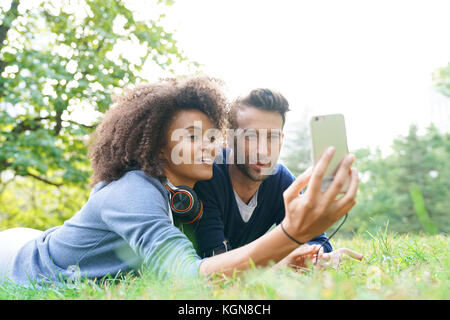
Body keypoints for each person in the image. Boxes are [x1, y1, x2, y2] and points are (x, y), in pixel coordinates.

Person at [0, 76, 359, 287]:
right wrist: (290, 235)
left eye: (212, 135)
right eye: (193, 137)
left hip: (33, 234)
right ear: (157, 147)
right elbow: (190, 279)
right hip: (16, 261)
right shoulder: (133, 192)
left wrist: (292, 257)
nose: (213, 146)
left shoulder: (181, 190)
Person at [193, 88, 362, 268]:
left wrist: (314, 255)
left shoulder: (281, 180)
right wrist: (281, 262)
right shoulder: (208, 177)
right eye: (250, 136)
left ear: (281, 140)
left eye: (272, 137)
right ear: (228, 137)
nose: (263, 151)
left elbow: (318, 240)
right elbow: (214, 258)